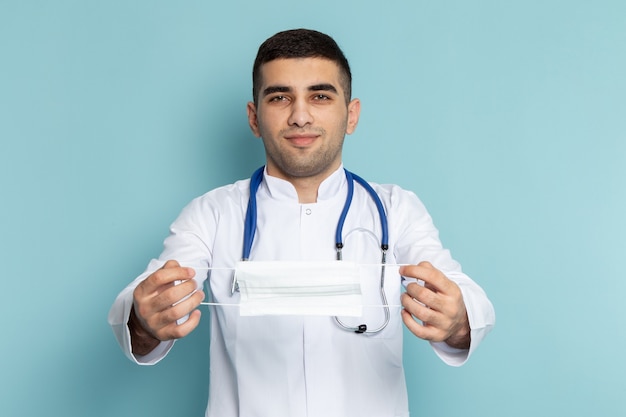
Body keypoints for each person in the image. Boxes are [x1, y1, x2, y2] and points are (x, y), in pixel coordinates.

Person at [109, 28, 495, 417]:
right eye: (280, 97)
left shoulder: (397, 210)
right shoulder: (211, 214)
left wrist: (456, 319)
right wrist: (144, 320)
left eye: (320, 96)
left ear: (352, 114)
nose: (300, 115)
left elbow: (467, 303)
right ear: (254, 117)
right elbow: (141, 311)